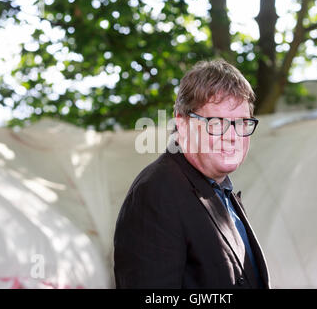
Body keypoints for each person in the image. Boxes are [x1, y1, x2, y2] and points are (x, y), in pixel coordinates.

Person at [113, 59, 270, 289]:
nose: (232, 135)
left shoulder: (220, 188)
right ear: (183, 124)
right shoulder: (156, 193)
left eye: (242, 122)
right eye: (217, 123)